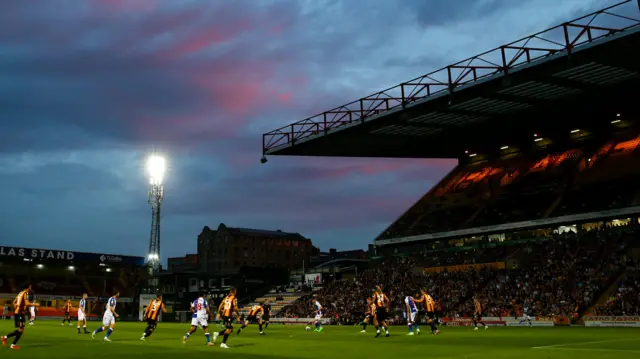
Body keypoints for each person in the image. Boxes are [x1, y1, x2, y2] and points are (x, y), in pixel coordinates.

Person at [1, 284, 38, 350]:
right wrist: (35, 304)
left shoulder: (20, 293)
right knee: (21, 330)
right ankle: (6, 339)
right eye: (30, 287)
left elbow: (14, 302)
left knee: (21, 330)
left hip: (18, 313)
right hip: (20, 314)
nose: (31, 288)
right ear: (28, 287)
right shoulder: (25, 293)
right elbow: (27, 303)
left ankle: (10, 342)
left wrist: (16, 306)